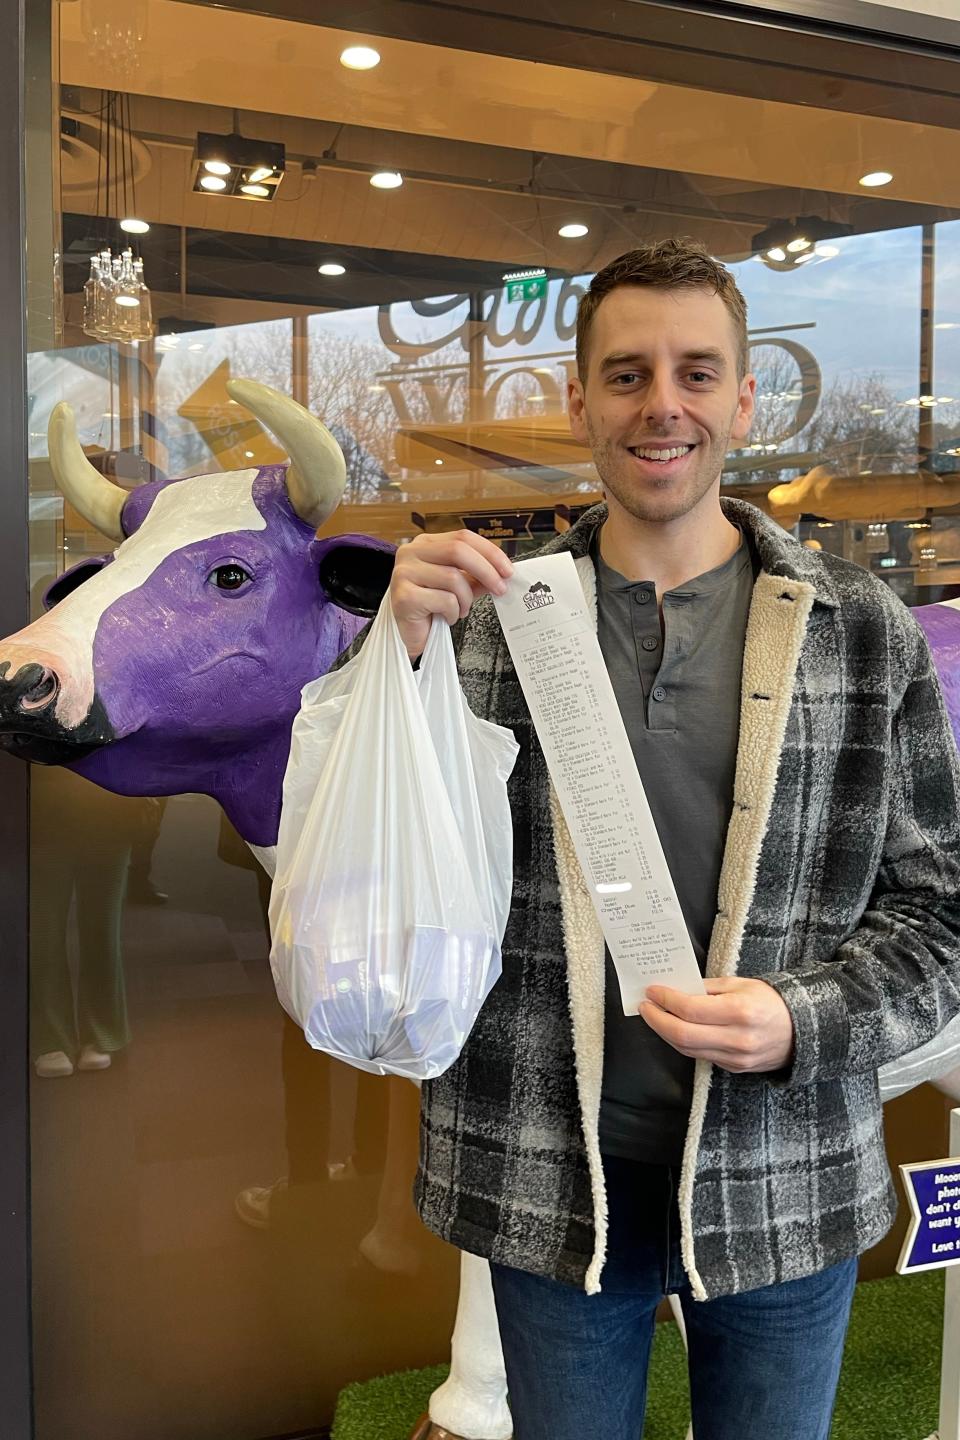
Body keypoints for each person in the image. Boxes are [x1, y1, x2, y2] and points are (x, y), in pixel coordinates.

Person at [353, 239, 960, 1440]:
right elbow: (382, 889)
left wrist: (804, 1019)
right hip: (543, 1178)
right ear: (579, 400)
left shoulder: (861, 630)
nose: (661, 405)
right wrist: (392, 665)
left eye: (696, 372)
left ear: (745, 398)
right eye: (626, 374)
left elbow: (941, 916)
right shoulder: (477, 630)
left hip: (783, 1177)